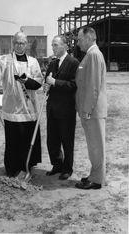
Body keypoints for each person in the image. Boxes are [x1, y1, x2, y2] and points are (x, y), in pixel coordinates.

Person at [0, 31, 43, 177]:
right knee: (13, 140)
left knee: (27, 138)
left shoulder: (33, 62)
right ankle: (12, 168)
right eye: (17, 42)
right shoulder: (5, 60)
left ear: (26, 44)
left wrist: (27, 82)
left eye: (23, 43)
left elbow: (38, 82)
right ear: (13, 44)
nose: (20, 45)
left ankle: (28, 166)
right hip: (12, 108)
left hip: (29, 107)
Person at [75, 26, 107, 189]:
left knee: (96, 146)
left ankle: (97, 181)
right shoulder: (91, 54)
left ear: (88, 38)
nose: (78, 43)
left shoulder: (93, 55)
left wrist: (86, 109)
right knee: (94, 146)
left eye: (80, 39)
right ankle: (96, 175)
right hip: (91, 110)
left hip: (92, 111)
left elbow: (93, 85)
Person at [44, 35, 79, 180]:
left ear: (65, 46)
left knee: (66, 139)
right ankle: (57, 165)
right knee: (52, 139)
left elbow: (73, 85)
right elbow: (47, 80)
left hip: (66, 109)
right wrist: (46, 85)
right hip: (52, 107)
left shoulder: (73, 63)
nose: (53, 47)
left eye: (56, 45)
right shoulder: (52, 63)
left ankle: (67, 168)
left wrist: (54, 82)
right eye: (52, 45)